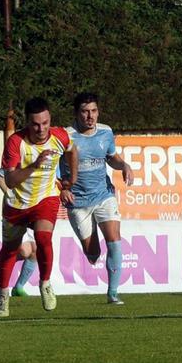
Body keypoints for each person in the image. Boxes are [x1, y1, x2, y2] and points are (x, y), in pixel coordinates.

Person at [0, 97, 78, 317]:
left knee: (43, 239)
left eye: (45, 123)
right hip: (17, 202)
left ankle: (45, 283)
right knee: (10, 250)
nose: (41, 129)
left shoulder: (60, 136)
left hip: (46, 198)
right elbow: (10, 181)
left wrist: (71, 179)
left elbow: (72, 151)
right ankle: (3, 294)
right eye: (36, 124)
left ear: (50, 119)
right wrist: (34, 165)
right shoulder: (15, 142)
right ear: (28, 122)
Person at [61, 93, 133, 305]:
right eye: (84, 111)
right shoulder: (66, 136)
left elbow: (111, 157)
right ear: (76, 114)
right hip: (78, 202)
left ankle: (112, 293)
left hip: (104, 195)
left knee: (115, 241)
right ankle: (92, 252)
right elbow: (55, 168)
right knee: (93, 254)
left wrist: (124, 166)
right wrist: (62, 188)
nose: (89, 116)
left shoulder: (106, 131)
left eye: (93, 111)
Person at [0, 169, 37, 297]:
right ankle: (3, 266)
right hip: (15, 212)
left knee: (36, 251)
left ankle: (19, 287)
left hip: (32, 210)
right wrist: (9, 194)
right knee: (24, 251)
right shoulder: (18, 155)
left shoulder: (44, 158)